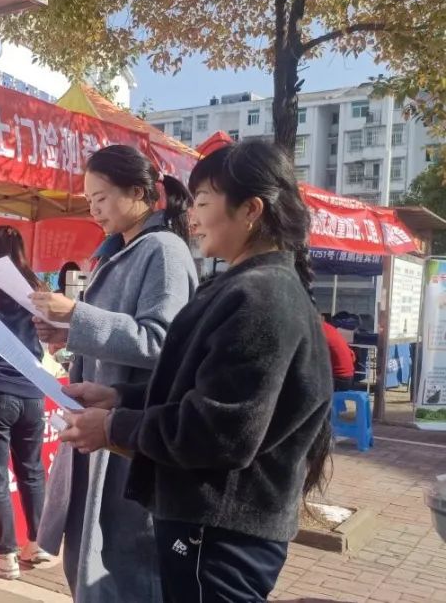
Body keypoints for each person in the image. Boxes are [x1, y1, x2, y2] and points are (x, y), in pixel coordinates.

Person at [56, 141, 333, 601]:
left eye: (203, 202)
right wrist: (121, 398)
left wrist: (114, 426)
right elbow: (200, 388)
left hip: (220, 527)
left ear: (251, 210)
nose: (193, 216)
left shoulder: (260, 297)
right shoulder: (245, 286)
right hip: (211, 521)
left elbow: (220, 431)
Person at [30, 145, 198, 602]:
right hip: (102, 426)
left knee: (125, 568)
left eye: (101, 198)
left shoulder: (164, 250)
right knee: (95, 560)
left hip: (130, 433)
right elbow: (117, 333)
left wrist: (77, 316)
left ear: (139, 193)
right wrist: (69, 332)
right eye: (89, 200)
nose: (94, 209)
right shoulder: (119, 252)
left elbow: (161, 341)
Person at [0, 226, 53, 580]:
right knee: (32, 470)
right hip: (33, 391)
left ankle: (5, 555)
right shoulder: (37, 287)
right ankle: (39, 543)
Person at [322, 314, 357, 391]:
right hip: (349, 377)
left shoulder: (318, 332)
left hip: (338, 379)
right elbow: (353, 357)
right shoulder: (331, 329)